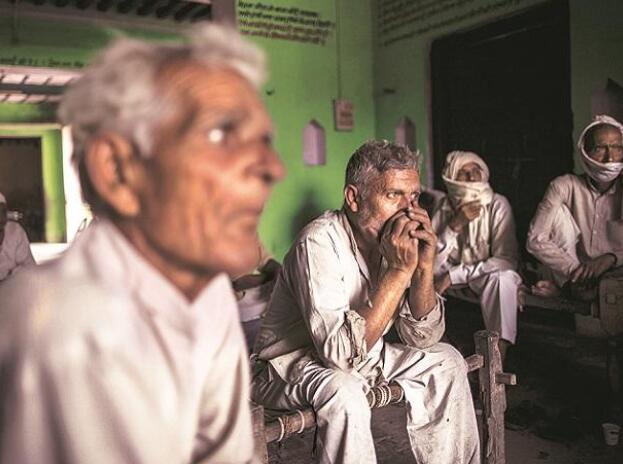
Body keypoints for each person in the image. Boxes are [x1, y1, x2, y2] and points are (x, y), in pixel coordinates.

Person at [0, 24, 285, 464]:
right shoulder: (54, 324)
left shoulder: (205, 293)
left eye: (262, 142)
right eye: (220, 136)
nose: (270, 168)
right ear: (117, 170)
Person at [252, 140, 479, 464]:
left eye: (413, 196)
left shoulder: (391, 240)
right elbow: (339, 358)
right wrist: (400, 272)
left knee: (446, 360)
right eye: (393, 195)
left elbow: (424, 337)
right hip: (287, 369)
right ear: (354, 198)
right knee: (344, 392)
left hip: (364, 358)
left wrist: (424, 268)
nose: (408, 211)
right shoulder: (318, 242)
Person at [432, 151, 521, 361]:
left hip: (483, 275)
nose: (472, 178)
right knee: (415, 278)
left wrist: (454, 276)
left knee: (503, 278)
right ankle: (440, 353)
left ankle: (496, 360)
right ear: (451, 177)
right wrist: (455, 225)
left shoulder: (498, 204)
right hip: (447, 274)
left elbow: (506, 259)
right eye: (464, 173)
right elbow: (431, 261)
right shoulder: (444, 206)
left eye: (476, 171)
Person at [526, 115, 623, 300]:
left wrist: (611, 258)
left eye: (617, 148)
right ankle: (571, 289)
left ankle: (571, 291)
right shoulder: (564, 185)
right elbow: (535, 239)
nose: (610, 157)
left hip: (616, 275)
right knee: (558, 214)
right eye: (600, 148)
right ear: (585, 151)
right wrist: (576, 271)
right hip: (572, 275)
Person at [0, 193, 35, 282]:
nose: (1, 217)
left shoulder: (15, 232)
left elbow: (29, 268)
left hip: (14, 289)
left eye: (3, 212)